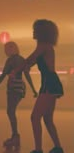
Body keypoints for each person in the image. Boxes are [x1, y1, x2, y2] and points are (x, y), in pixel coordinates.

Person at [9, 19, 64, 153]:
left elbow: (30, 59)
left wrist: (16, 71)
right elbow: (33, 61)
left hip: (49, 82)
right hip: (51, 82)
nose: (33, 31)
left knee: (35, 117)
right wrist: (26, 67)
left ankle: (38, 149)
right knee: (47, 119)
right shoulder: (45, 46)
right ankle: (58, 148)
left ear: (42, 32)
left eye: (35, 29)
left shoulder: (43, 46)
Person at [0, 41, 38, 150]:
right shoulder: (21, 59)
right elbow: (27, 75)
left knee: (10, 111)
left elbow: (3, 75)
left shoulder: (11, 60)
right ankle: (15, 136)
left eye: (6, 49)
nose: (5, 51)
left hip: (13, 86)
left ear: (11, 49)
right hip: (20, 87)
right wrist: (33, 89)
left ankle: (15, 136)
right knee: (11, 111)